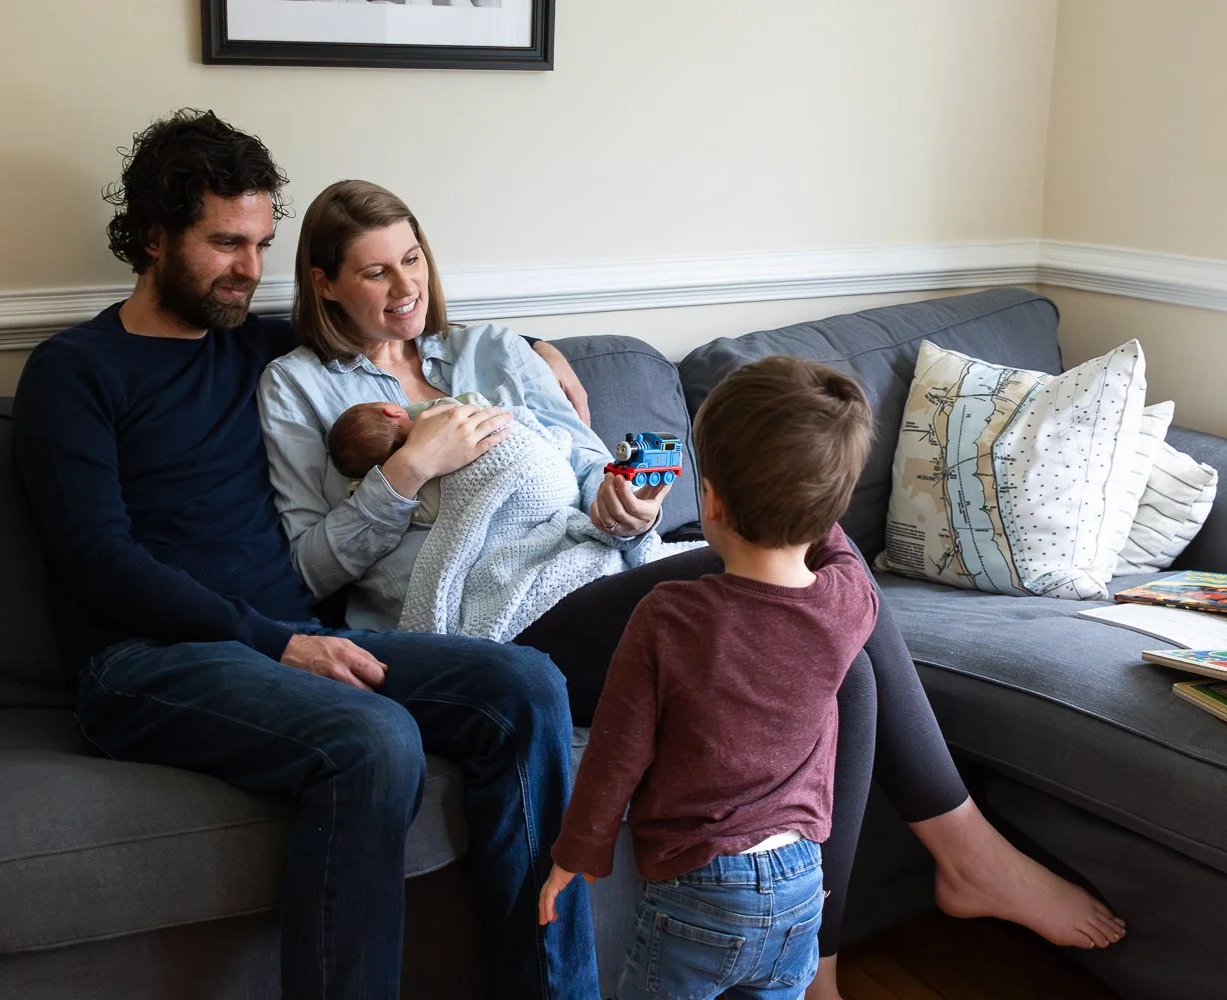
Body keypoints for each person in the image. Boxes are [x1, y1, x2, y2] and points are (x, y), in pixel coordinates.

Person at [259, 179, 1128, 999]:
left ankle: (822, 953)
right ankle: (965, 850)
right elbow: (311, 566)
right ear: (325, 283)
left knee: (847, 662)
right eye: (375, 271)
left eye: (412, 259)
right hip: (499, 630)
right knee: (811, 570)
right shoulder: (296, 387)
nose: (405, 286)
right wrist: (411, 469)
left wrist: (623, 504)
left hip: (596, 572)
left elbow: (589, 474)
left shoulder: (492, 349)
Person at [10, 109, 601, 1000]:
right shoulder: (76, 371)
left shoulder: (257, 341)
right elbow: (98, 559)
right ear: (155, 236)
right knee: (375, 740)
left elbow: (393, 317)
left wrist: (535, 349)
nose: (249, 270)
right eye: (224, 244)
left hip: (279, 638)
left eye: (260, 244)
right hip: (146, 661)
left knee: (524, 686)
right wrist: (276, 640)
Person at [538, 355, 879, 998]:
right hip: (805, 878)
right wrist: (812, 488)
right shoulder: (849, 603)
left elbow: (618, 751)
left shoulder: (669, 616)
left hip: (700, 888)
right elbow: (835, 546)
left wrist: (574, 854)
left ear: (712, 499)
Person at [327, 392, 489, 523]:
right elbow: (474, 401)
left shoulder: (418, 499)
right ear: (391, 411)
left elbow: (429, 517)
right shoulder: (437, 412)